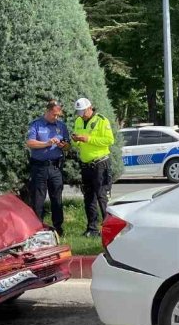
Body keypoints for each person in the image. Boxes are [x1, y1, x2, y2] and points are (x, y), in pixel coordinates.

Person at [71, 98, 115, 237]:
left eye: (83, 112)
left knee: (102, 197)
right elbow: (78, 144)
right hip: (86, 164)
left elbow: (109, 140)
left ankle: (109, 229)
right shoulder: (78, 121)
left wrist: (87, 139)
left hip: (100, 163)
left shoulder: (102, 121)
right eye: (79, 112)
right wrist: (76, 140)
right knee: (88, 197)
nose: (81, 115)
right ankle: (92, 228)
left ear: (90, 108)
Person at [25, 100, 70, 235]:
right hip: (39, 167)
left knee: (57, 197)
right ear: (48, 111)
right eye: (54, 114)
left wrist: (63, 145)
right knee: (38, 199)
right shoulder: (36, 125)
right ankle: (37, 227)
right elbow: (30, 143)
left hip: (55, 167)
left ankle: (58, 227)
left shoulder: (61, 126)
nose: (56, 117)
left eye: (58, 115)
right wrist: (47, 143)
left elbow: (68, 145)